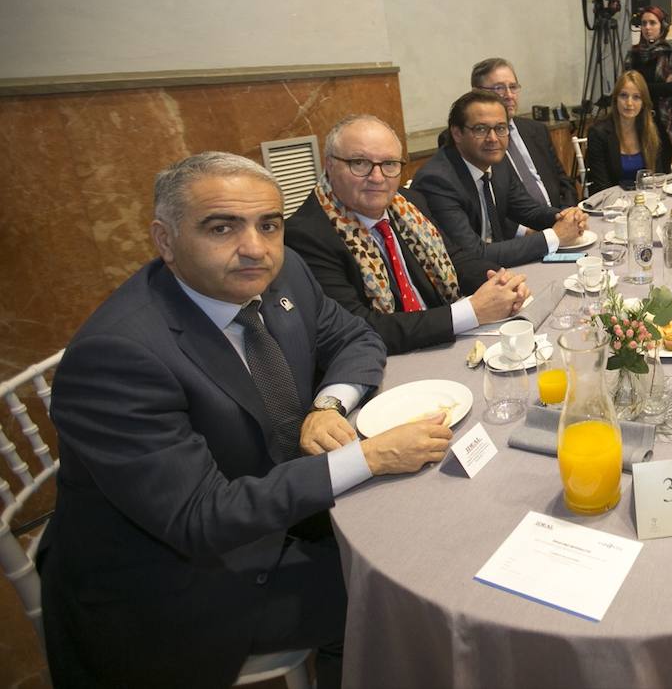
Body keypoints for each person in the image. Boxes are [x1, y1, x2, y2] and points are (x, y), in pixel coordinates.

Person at [38, 153, 452, 689]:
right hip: (176, 582)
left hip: (275, 506)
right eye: (221, 227)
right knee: (407, 596)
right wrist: (366, 457)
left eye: (269, 225)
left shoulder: (284, 274)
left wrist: (327, 405)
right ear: (165, 240)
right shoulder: (118, 357)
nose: (255, 247)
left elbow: (356, 337)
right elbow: (200, 517)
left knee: (418, 529)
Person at [286, 115, 530, 354]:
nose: (377, 178)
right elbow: (358, 326)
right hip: (386, 362)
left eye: (389, 164)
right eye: (359, 163)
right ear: (330, 164)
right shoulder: (306, 235)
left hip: (439, 342)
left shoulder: (408, 203)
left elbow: (454, 258)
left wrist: (497, 281)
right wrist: (472, 310)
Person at [413, 90, 588, 267]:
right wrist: (554, 237)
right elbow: (473, 254)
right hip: (467, 280)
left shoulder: (498, 161)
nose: (493, 138)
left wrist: (567, 217)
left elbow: (528, 210)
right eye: (481, 129)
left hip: (500, 266)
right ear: (457, 133)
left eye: (500, 128)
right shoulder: (437, 181)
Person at [470, 57, 577, 209]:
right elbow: (485, 204)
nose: (509, 95)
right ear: (477, 93)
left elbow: (563, 181)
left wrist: (567, 212)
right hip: (520, 229)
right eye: (499, 88)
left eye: (513, 87)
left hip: (558, 218)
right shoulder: (473, 140)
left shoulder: (536, 130)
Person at [585, 70, 672, 193]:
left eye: (636, 97)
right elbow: (601, 186)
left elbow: (658, 178)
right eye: (624, 96)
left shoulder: (651, 131)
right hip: (611, 205)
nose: (629, 103)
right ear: (615, 99)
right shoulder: (598, 134)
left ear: (643, 103)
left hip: (646, 202)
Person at [623, 5, 672, 159]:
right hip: (636, 116)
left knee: (661, 168)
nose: (647, 27)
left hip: (663, 117)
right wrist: (659, 87)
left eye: (652, 23)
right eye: (644, 23)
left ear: (662, 26)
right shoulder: (634, 53)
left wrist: (640, 87)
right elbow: (626, 85)